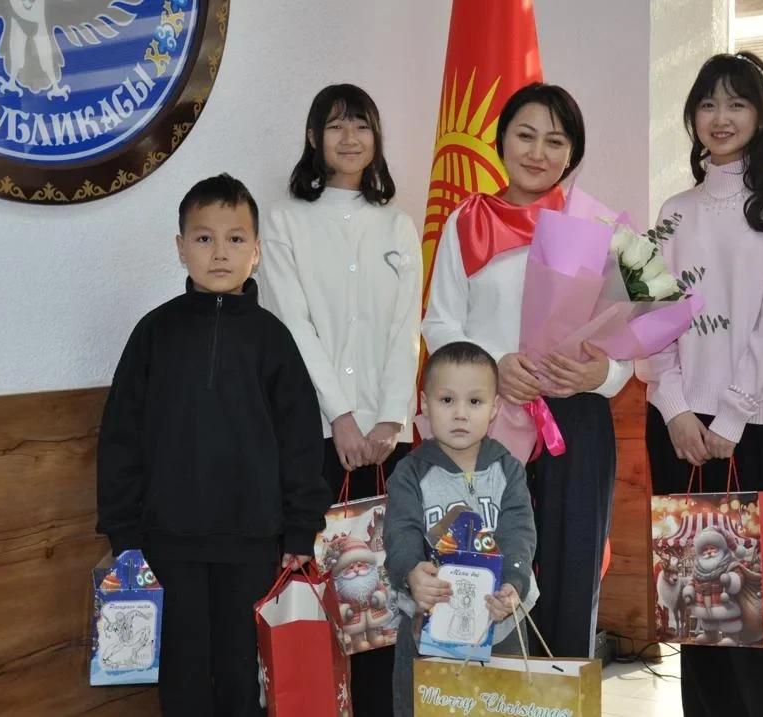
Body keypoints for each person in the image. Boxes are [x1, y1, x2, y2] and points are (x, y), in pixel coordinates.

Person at [95, 173, 332, 717]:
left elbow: (300, 441)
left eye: (235, 238)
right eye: (204, 238)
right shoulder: (154, 334)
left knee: (241, 678)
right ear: (181, 248)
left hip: (252, 544)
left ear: (256, 251)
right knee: (180, 678)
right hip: (167, 544)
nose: (220, 252)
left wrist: (301, 527)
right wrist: (123, 532)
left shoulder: (274, 339)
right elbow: (120, 438)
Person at [422, 82, 633, 658]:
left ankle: (561, 689)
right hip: (488, 422)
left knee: (571, 573)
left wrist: (601, 376)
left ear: (572, 154)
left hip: (575, 421)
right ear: (501, 141)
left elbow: (632, 337)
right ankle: (481, 691)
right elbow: (440, 323)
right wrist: (492, 367)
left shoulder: (599, 229)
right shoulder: (468, 220)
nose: (538, 152)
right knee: (480, 570)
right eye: (525, 135)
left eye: (555, 141)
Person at [643, 51, 763, 717]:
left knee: (761, 606)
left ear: (761, 115)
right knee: (700, 606)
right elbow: (652, 320)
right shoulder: (674, 210)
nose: (721, 117)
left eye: (737, 103)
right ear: (692, 116)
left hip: (757, 428)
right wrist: (675, 408)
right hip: (682, 432)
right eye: (708, 103)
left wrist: (733, 414)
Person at [259, 83, 422, 717]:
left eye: (361, 126)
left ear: (376, 138)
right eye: (335, 126)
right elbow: (294, 325)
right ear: (313, 138)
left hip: (386, 441)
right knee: (323, 588)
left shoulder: (398, 224)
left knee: (385, 595)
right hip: (316, 437)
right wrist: (342, 416)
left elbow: (405, 329)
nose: (349, 138)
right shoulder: (284, 221)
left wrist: (388, 419)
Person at [383, 341, 538, 717]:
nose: (460, 414)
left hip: (500, 623)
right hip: (427, 628)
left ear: (494, 407)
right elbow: (400, 532)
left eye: (475, 401)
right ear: (425, 404)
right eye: (447, 400)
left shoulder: (508, 470)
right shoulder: (410, 473)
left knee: (502, 709)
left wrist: (513, 584)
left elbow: (519, 532)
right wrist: (411, 573)